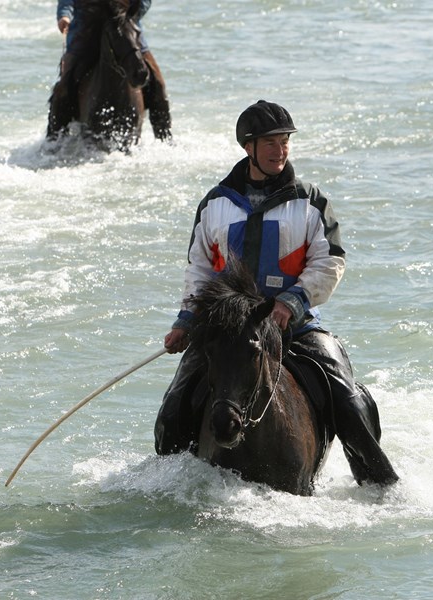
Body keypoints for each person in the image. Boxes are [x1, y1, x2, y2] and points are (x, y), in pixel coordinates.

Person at [154, 100, 399, 487]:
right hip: (228, 331)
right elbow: (199, 271)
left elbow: (330, 260)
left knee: (347, 397)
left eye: (284, 141)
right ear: (248, 148)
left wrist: (292, 302)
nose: (279, 150)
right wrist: (187, 321)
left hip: (294, 324)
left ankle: (380, 485)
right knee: (173, 409)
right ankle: (168, 484)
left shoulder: (310, 201)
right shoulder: (215, 204)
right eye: (269, 142)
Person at [47, 0, 171, 141]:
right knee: (63, 87)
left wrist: (130, 14)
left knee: (158, 83)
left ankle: (164, 138)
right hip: (86, 26)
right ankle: (53, 143)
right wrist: (64, 15)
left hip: (124, 25)